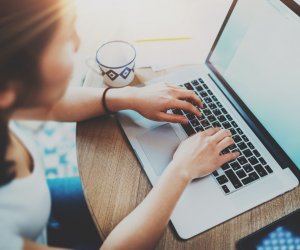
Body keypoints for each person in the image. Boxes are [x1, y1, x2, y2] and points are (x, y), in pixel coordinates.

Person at [0, 0, 240, 249]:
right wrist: (181, 170)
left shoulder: (9, 94)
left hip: (38, 210)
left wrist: (129, 97)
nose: (78, 44)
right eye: (63, 40)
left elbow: (47, 103)